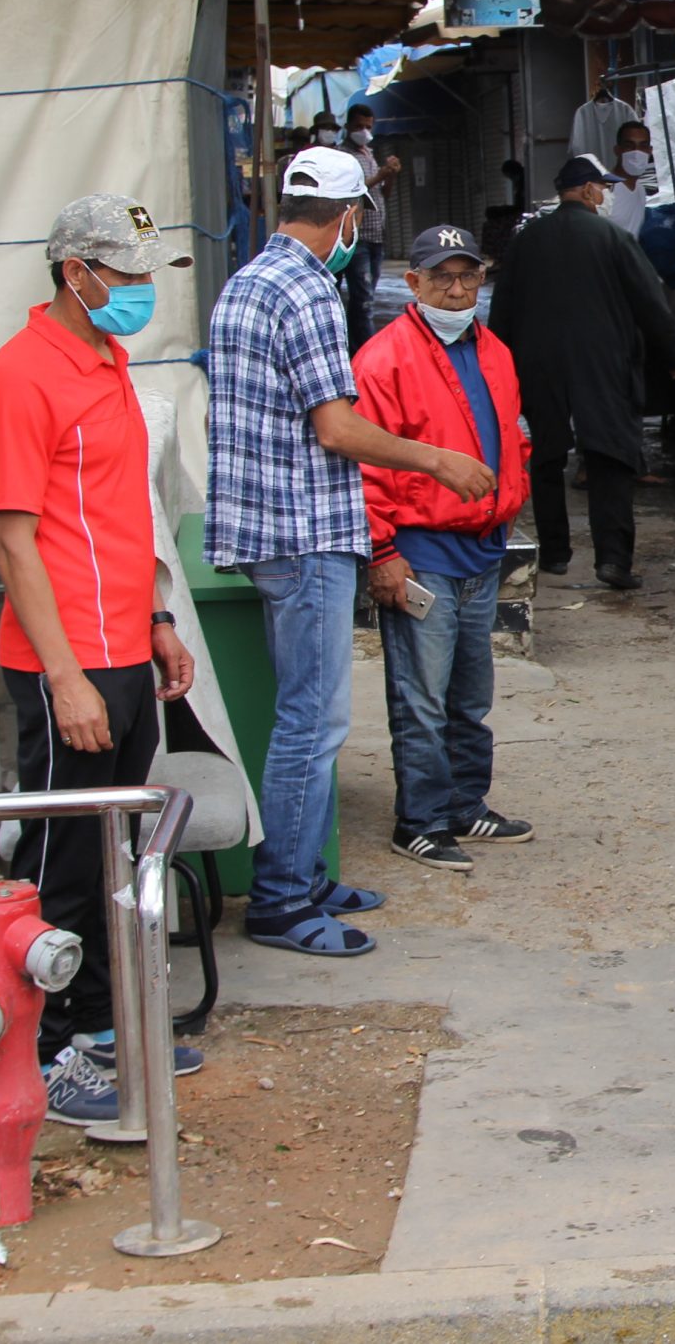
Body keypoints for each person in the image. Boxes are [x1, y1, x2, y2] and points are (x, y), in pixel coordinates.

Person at [207, 146, 497, 957]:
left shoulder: (251, 278)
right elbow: (336, 427)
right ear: (348, 216)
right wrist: (435, 457)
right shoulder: (303, 288)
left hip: (276, 530)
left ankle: (300, 875)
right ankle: (281, 898)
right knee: (313, 721)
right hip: (304, 535)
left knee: (309, 717)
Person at [0, 193, 199, 1124]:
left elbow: (122, 510)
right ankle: (60, 1044)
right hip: (64, 658)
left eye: (149, 275)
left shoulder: (106, 361)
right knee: (65, 857)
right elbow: (15, 542)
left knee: (114, 846)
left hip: (120, 645)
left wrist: (155, 615)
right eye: (129, 275)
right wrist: (64, 674)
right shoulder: (23, 377)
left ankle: (106, 1024)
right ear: (77, 274)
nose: (143, 292)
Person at [355, 224, 534, 873]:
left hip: (481, 548)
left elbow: (514, 434)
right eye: (443, 278)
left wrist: (508, 498)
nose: (457, 291)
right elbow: (365, 465)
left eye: (468, 277)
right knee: (422, 697)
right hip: (422, 551)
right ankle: (422, 821)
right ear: (414, 283)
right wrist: (382, 553)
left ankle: (464, 803)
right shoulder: (384, 360)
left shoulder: (495, 351)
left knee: (468, 691)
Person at [487, 153, 675, 591]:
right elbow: (649, 302)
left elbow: (502, 307)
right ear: (586, 190)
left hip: (537, 363)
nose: (608, 194)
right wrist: (674, 355)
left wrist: (496, 365)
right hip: (603, 361)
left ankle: (555, 553)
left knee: (546, 456)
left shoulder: (527, 239)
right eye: (604, 186)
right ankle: (613, 560)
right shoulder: (611, 237)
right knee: (610, 455)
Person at [340, 104, 400, 351]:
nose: (364, 131)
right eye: (359, 127)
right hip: (358, 236)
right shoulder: (343, 157)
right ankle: (367, 351)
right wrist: (381, 174)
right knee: (363, 299)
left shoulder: (369, 153)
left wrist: (391, 175)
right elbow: (352, 191)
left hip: (377, 236)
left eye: (368, 127)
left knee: (366, 297)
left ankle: (358, 347)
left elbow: (382, 194)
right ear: (348, 127)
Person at [602, 120, 661, 238]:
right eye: (629, 146)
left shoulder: (639, 188)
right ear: (617, 150)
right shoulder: (604, 188)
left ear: (649, 151)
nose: (636, 152)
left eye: (642, 146)